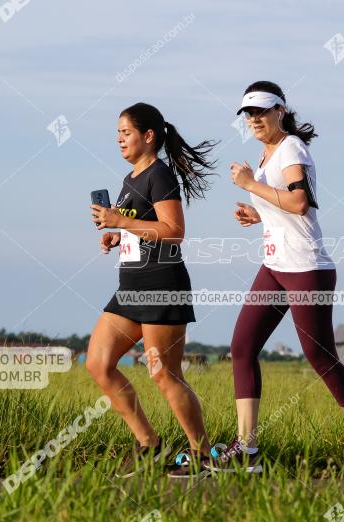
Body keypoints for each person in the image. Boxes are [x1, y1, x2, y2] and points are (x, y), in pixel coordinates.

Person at [209, 81, 344, 479]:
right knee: (241, 348)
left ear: (281, 111)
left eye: (261, 111)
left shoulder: (291, 146)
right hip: (274, 266)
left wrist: (250, 185)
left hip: (307, 268)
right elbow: (285, 208)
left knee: (319, 355)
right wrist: (257, 213)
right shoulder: (266, 153)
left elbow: (298, 201)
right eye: (248, 113)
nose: (254, 119)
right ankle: (247, 448)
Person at [86, 102, 217, 478]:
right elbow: (143, 225)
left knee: (163, 373)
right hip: (130, 289)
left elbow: (173, 231)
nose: (119, 140)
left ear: (148, 136)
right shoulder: (130, 179)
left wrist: (118, 219)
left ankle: (202, 455)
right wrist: (117, 231)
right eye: (117, 134)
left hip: (161, 285)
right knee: (98, 362)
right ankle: (150, 444)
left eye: (125, 133)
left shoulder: (159, 175)